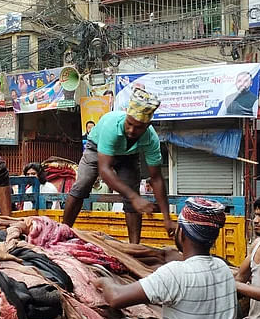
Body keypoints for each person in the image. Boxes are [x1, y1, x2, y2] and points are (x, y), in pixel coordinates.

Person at [94, 197, 248, 319]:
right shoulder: (223, 269)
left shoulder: (175, 274)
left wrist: (103, 279)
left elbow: (116, 298)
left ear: (181, 232)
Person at [63, 88, 176, 244]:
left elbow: (156, 179)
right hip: (97, 148)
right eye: (129, 124)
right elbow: (104, 170)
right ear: (126, 116)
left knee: (132, 199)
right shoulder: (111, 126)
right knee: (82, 185)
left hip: (129, 156)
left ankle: (134, 247)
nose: (131, 130)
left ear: (147, 125)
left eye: (138, 128)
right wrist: (134, 197)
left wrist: (167, 218)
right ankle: (63, 231)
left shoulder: (151, 139)